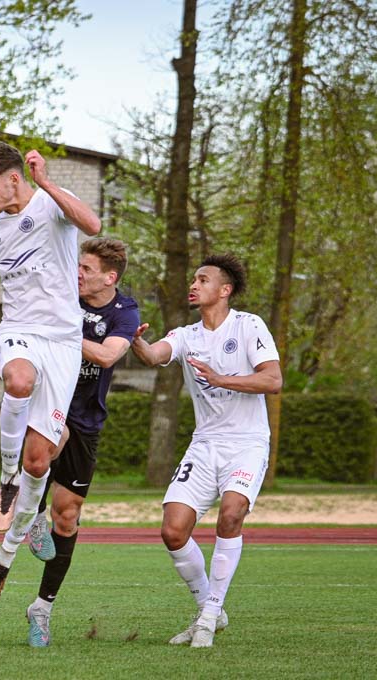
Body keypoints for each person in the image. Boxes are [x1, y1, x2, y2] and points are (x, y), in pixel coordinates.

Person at [0, 141, 101, 613]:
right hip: (19, 329)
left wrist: (48, 183)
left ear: (13, 178)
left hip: (62, 342)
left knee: (39, 463)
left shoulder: (50, 203)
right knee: (17, 382)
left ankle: (4, 558)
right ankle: (6, 480)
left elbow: (93, 225)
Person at [130, 253, 281, 648]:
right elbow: (154, 355)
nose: (193, 285)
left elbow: (273, 380)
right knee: (172, 530)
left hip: (247, 444)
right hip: (205, 444)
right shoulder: (186, 335)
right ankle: (206, 609)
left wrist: (221, 378)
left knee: (231, 515)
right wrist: (134, 339)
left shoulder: (249, 326)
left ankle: (210, 616)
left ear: (224, 290)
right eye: (193, 279)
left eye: (203, 279)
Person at [22, 238, 140, 647]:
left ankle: (41, 609)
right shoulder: (61, 295)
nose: (77, 273)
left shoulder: (125, 311)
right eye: (77, 265)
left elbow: (107, 356)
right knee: (54, 438)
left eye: (86, 269)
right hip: (49, 405)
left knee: (68, 517)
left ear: (110, 277)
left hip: (88, 419)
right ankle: (31, 514)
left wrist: (66, 335)